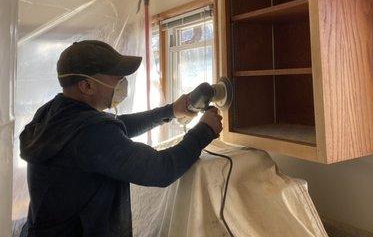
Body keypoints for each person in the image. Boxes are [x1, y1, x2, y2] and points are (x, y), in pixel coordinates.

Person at [19, 40, 223, 237]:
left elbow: (116, 126)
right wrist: (205, 130)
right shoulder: (91, 133)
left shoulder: (52, 113)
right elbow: (161, 169)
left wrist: (170, 111)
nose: (122, 83)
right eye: (116, 77)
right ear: (86, 86)